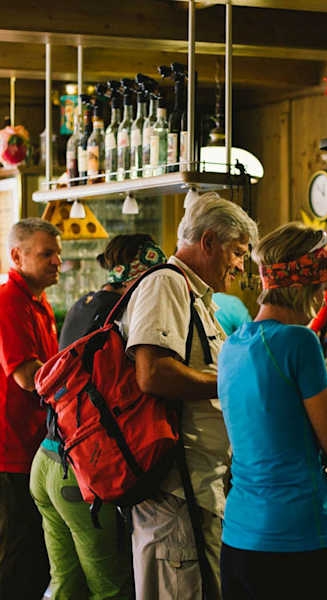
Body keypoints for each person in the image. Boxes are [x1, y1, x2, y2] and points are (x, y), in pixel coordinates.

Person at [118, 192, 258, 600]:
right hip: (175, 494)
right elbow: (152, 373)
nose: (239, 265)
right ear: (209, 242)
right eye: (236, 253)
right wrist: (231, 384)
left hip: (195, 490)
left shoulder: (199, 296)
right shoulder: (166, 283)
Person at [217, 222, 327, 599]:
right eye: (319, 291)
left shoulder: (232, 345)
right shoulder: (300, 341)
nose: (321, 300)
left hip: (238, 537)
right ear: (302, 286)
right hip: (294, 538)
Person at [29, 233, 165, 600]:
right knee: (111, 589)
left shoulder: (84, 303)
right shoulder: (121, 315)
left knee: (65, 585)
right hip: (79, 473)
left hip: (46, 461)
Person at [0, 218, 62, 600]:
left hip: (24, 449)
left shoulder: (37, 302)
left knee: (34, 562)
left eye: (57, 253)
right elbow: (27, 375)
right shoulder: (6, 302)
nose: (57, 261)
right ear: (17, 256)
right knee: (6, 564)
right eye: (46, 253)